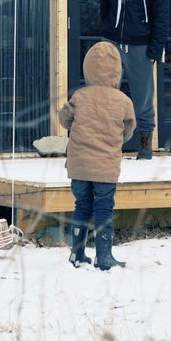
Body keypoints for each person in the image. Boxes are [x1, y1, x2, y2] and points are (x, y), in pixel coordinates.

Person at [59, 41, 136, 270]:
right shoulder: (123, 101)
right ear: (117, 71)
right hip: (105, 166)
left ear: (88, 68)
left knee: (81, 206)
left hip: (80, 166)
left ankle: (77, 253)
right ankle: (104, 257)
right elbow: (129, 128)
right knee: (103, 209)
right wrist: (115, 143)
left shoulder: (79, 97)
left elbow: (65, 121)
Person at [100, 0, 169, 160]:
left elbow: (162, 17)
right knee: (108, 97)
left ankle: (144, 146)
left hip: (141, 47)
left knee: (143, 98)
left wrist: (154, 50)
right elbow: (105, 8)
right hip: (112, 45)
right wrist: (107, 35)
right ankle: (109, 146)